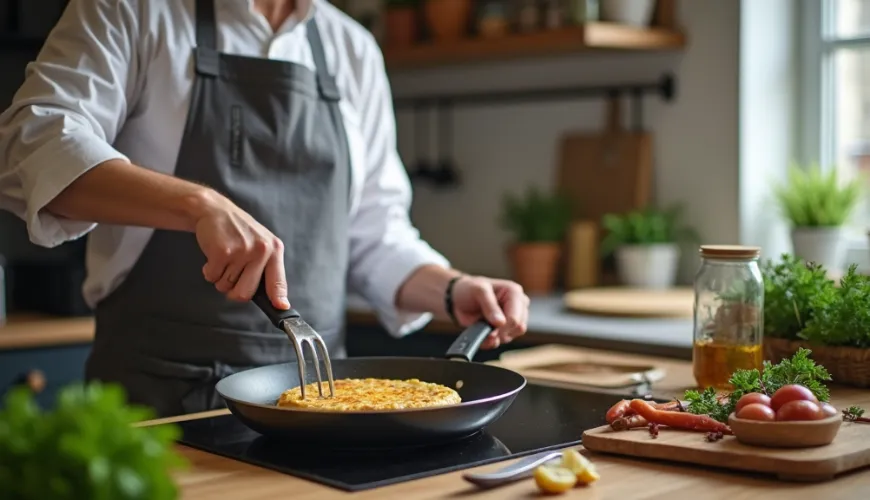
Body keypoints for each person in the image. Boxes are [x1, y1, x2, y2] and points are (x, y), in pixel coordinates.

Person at [0, 0, 530, 417]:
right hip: (155, 404)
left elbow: (375, 233)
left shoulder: (353, 49)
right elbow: (31, 144)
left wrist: (453, 287)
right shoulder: (133, 9)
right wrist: (197, 203)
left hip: (320, 407)